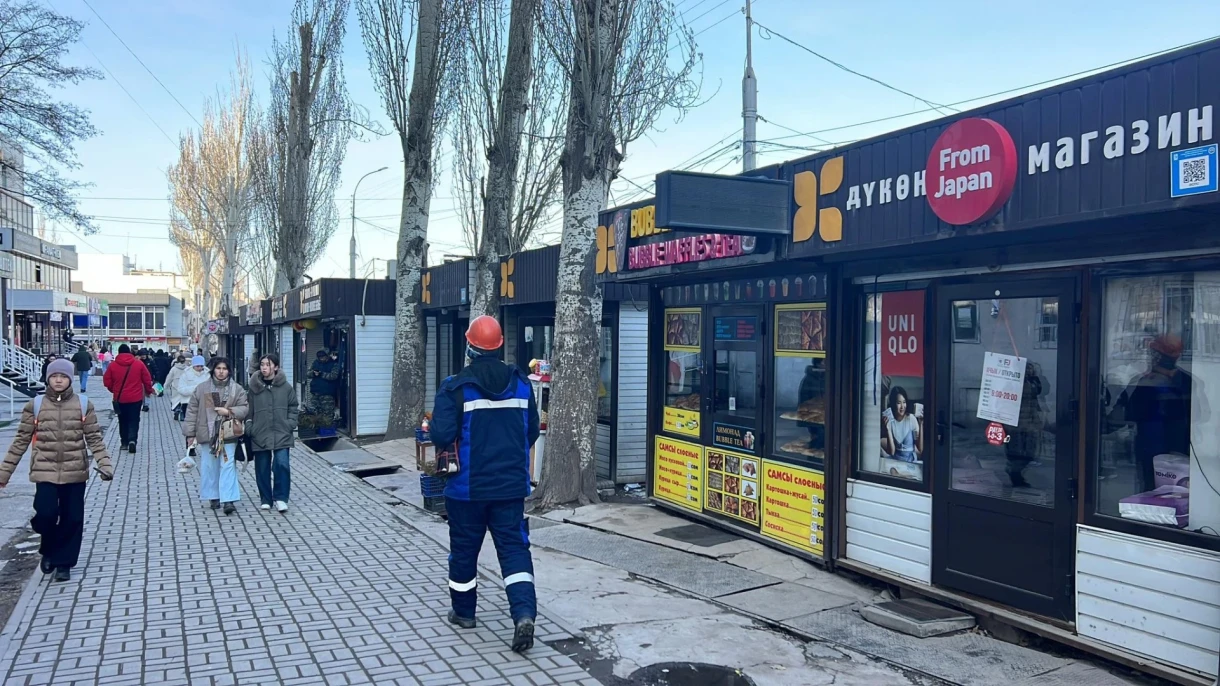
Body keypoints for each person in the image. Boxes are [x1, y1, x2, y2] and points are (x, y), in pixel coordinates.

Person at [430, 315, 540, 653]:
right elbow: (532, 430)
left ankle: (464, 613)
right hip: (510, 489)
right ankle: (523, 613)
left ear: (469, 345)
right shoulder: (521, 384)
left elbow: (441, 435)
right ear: (499, 345)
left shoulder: (455, 386)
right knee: (514, 550)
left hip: (467, 491)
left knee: (464, 552)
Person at [0, 358, 114, 582]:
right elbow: (20, 441)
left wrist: (105, 463)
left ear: (70, 378)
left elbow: (94, 438)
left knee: (72, 519)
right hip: (45, 470)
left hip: (75, 471)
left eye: (63, 376)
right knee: (46, 514)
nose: (59, 380)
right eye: (54, 376)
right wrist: (4, 473)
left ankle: (63, 563)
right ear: (48, 379)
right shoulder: (35, 405)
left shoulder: (83, 404)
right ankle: (48, 547)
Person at [184, 357, 249, 515]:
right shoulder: (202, 388)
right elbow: (192, 411)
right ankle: (213, 495)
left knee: (227, 466)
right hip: (208, 433)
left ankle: (228, 499)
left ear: (229, 371)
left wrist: (229, 412)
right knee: (210, 466)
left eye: (224, 368)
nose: (221, 372)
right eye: (218, 368)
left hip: (228, 434)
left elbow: (245, 408)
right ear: (213, 370)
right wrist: (190, 434)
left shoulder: (236, 389)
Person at [247, 353, 298, 513]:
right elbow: (248, 410)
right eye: (262, 364)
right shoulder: (254, 387)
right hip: (260, 432)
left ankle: (281, 498)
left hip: (282, 432)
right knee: (262, 467)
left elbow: (293, 407)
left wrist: (290, 424)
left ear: (275, 367)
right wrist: (250, 427)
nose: (264, 368)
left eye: (268, 365)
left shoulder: (286, 387)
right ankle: (266, 499)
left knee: (282, 464)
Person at [103, 344, 154, 453]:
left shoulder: (113, 365)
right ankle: (132, 440)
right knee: (134, 419)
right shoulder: (138, 364)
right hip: (136, 398)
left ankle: (124, 443)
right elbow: (147, 379)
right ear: (130, 352)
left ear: (119, 353)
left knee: (123, 420)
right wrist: (149, 391)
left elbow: (106, 381)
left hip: (120, 398)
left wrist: (114, 390)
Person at [882, 386, 922, 463]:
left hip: (910, 462)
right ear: (893, 404)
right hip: (896, 461)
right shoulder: (890, 421)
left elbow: (920, 448)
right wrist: (888, 429)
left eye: (904, 402)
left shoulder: (911, 419)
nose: (902, 407)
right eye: (899, 403)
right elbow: (892, 452)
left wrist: (921, 424)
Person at [309, 349, 340, 420]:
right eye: (320, 357)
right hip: (315, 393)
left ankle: (327, 430)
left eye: (323, 357)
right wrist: (313, 373)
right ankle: (317, 430)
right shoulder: (315, 363)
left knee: (327, 415)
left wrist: (321, 374)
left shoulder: (333, 364)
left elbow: (334, 376)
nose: (321, 358)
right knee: (314, 413)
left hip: (327, 394)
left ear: (327, 356)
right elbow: (308, 373)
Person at [165, 355, 190, 421]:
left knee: (175, 400)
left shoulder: (174, 368)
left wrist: (165, 386)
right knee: (184, 401)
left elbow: (169, 378)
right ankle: (182, 413)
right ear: (184, 361)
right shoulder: (187, 368)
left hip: (175, 387)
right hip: (185, 387)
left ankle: (176, 410)